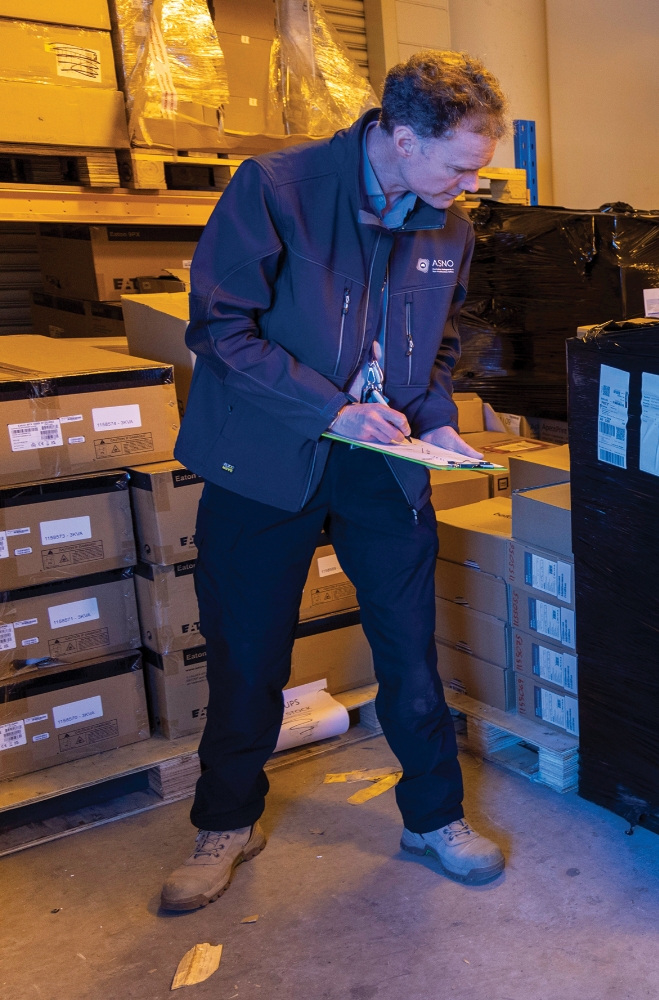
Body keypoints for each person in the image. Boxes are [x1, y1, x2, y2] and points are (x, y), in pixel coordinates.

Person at [160, 52, 510, 912]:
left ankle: (432, 817)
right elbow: (221, 329)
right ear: (399, 137)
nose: (470, 184)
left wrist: (434, 417)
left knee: (409, 645)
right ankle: (226, 821)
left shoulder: (448, 223)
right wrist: (329, 410)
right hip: (268, 452)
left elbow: (441, 337)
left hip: (382, 460)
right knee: (249, 651)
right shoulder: (277, 190)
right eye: (461, 164)